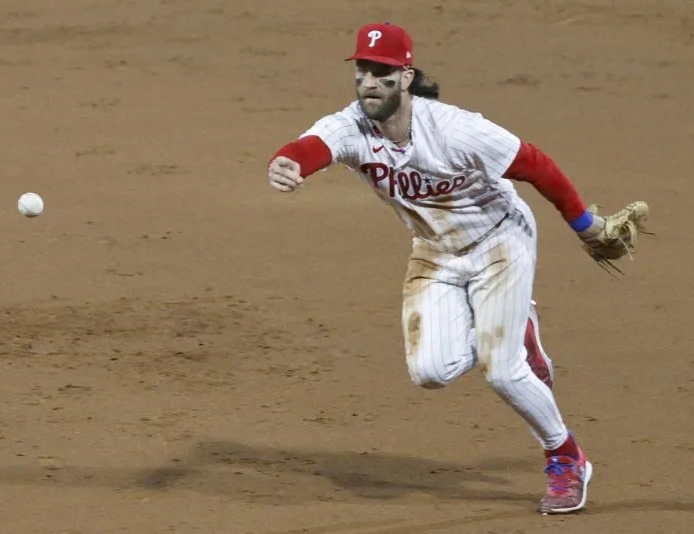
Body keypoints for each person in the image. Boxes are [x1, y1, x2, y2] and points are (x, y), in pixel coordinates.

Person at [265, 22, 618, 514]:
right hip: (434, 251)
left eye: (383, 72)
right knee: (430, 371)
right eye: (363, 70)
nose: (369, 82)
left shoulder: (454, 128)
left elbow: (537, 165)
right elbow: (310, 148)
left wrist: (585, 225)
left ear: (406, 77)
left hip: (501, 241)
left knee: (503, 372)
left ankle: (565, 457)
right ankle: (517, 328)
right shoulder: (352, 128)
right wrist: (287, 163)